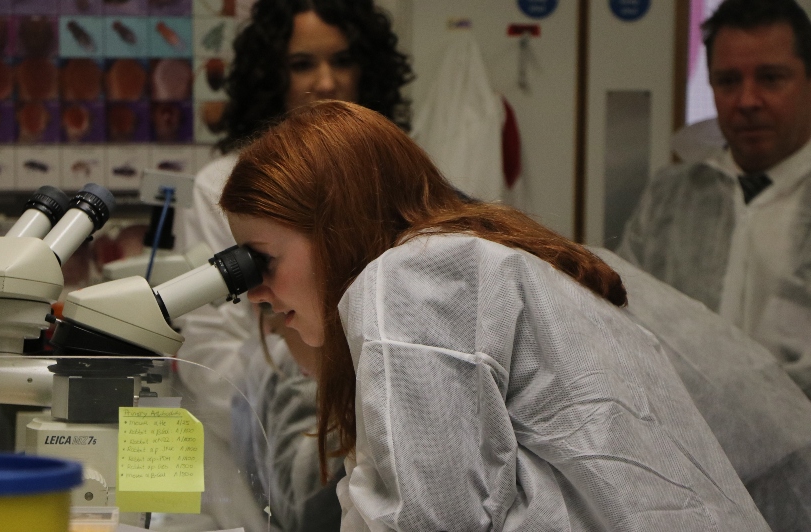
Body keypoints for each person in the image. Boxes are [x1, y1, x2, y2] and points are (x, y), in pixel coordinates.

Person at [218, 99, 770, 531]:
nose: (257, 293)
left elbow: (429, 522)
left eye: (262, 261)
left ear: (336, 226)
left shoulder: (409, 278)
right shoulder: (466, 261)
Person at [171, 1, 413, 529]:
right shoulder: (226, 189)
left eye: (342, 60)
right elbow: (215, 356)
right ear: (271, 74)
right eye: (303, 63)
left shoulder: (391, 173)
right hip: (263, 455)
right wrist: (306, 430)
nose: (326, 81)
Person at [618, 0, 811, 396]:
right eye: (727, 81)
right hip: (683, 445)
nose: (747, 101)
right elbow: (622, 322)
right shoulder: (670, 198)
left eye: (772, 78)